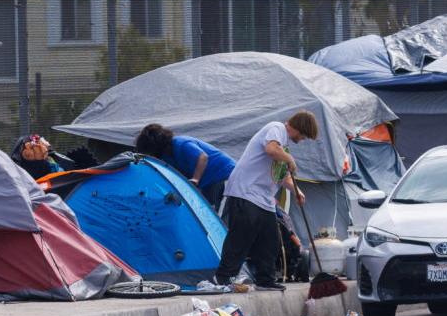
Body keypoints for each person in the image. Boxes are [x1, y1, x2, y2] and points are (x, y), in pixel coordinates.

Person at [214, 111, 319, 291]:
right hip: (245, 192)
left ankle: (265, 280)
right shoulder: (276, 128)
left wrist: (297, 191)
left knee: (270, 241)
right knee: (241, 238)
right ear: (299, 128)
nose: (302, 139)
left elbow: (282, 177)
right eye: (303, 135)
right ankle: (222, 277)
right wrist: (290, 159)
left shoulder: (283, 146)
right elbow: (270, 149)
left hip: (264, 199)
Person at [134, 124, 235, 209]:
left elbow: (203, 157)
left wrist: (195, 179)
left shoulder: (181, 143)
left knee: (212, 207)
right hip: (206, 182)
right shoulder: (165, 156)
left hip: (222, 174)